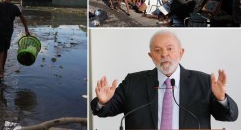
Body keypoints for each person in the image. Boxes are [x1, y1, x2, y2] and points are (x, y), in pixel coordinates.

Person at [91, 30, 238, 129]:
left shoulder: (204, 82)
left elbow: (229, 116)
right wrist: (102, 102)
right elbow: (103, 111)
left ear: (181, 53)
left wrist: (221, 98)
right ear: (151, 56)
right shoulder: (133, 82)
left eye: (169, 49)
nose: (164, 54)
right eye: (157, 50)